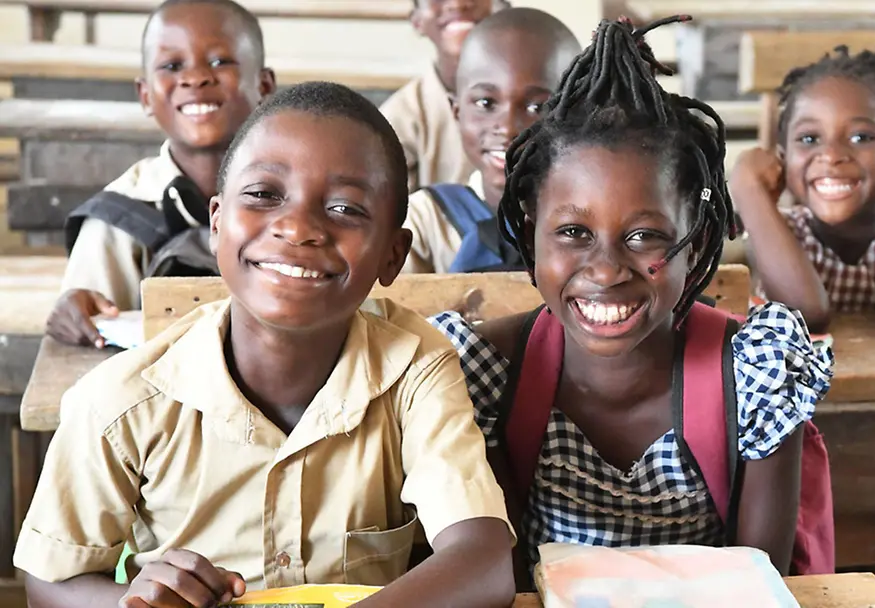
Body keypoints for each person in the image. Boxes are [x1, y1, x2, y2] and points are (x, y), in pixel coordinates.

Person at [15, 82, 515, 608]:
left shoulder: (415, 368)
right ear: (215, 222)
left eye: (345, 207)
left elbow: (482, 560)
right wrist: (130, 603)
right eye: (263, 195)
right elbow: (49, 583)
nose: (298, 228)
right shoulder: (122, 401)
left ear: (393, 255)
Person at [429, 16, 833, 588]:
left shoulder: (752, 377)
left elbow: (755, 586)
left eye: (645, 236)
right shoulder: (489, 376)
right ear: (530, 233)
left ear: (695, 240)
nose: (605, 269)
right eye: (572, 233)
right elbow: (501, 579)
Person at [733, 44, 875, 608]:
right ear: (781, 160)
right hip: (792, 432)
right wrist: (744, 187)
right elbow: (807, 312)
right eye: (809, 139)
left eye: (860, 137)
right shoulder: (784, 231)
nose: (832, 156)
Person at [47, 0, 276, 349]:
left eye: (219, 61)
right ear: (145, 95)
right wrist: (75, 310)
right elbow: (91, 331)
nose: (196, 77)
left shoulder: (299, 193)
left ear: (264, 85)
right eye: (171, 65)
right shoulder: (118, 217)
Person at [401, 7, 580, 274]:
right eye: (486, 103)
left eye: (537, 107)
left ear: (577, 114)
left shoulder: (592, 220)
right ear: (457, 111)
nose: (507, 129)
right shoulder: (425, 222)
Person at [380, 0, 499, 192]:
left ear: (499, 8)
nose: (458, 4)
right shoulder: (398, 120)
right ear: (417, 21)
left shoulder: (544, 100)